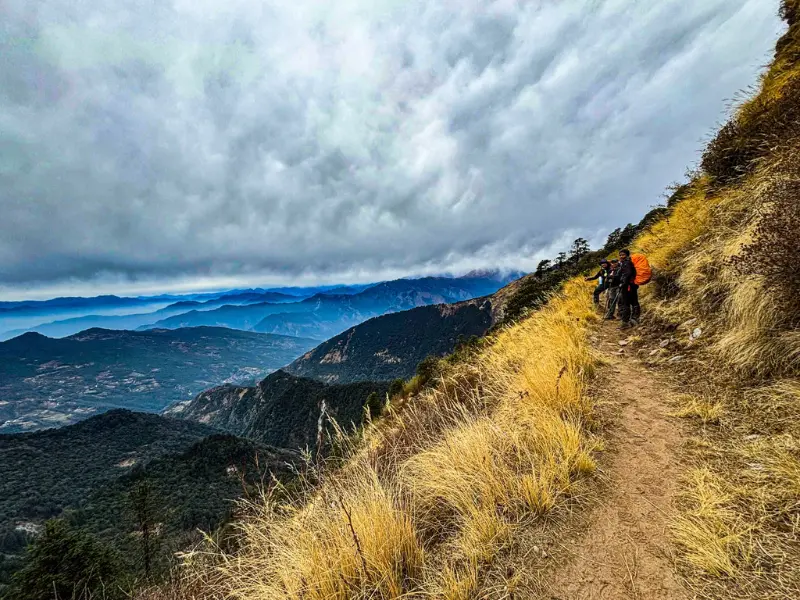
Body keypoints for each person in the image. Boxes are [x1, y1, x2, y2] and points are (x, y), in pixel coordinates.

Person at [618, 249, 640, 328]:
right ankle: (635, 318)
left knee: (626, 303)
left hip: (628, 286)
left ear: (627, 255)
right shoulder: (626, 262)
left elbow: (627, 273)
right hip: (631, 285)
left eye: (623, 255)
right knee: (634, 301)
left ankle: (625, 322)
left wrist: (623, 283)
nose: (621, 256)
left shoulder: (626, 263)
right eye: (620, 255)